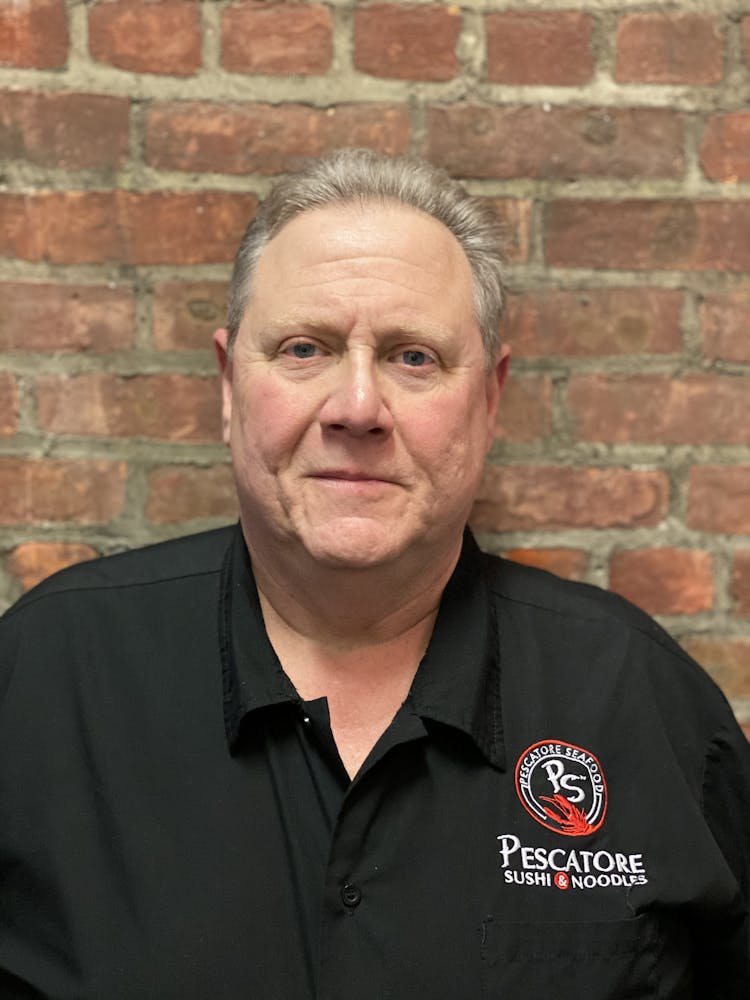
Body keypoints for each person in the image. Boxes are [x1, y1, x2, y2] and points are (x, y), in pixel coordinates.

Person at [0, 149, 747, 999]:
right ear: (228, 386)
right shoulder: (45, 677)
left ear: (491, 399)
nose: (356, 408)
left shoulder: (635, 700)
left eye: (413, 357)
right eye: (305, 348)